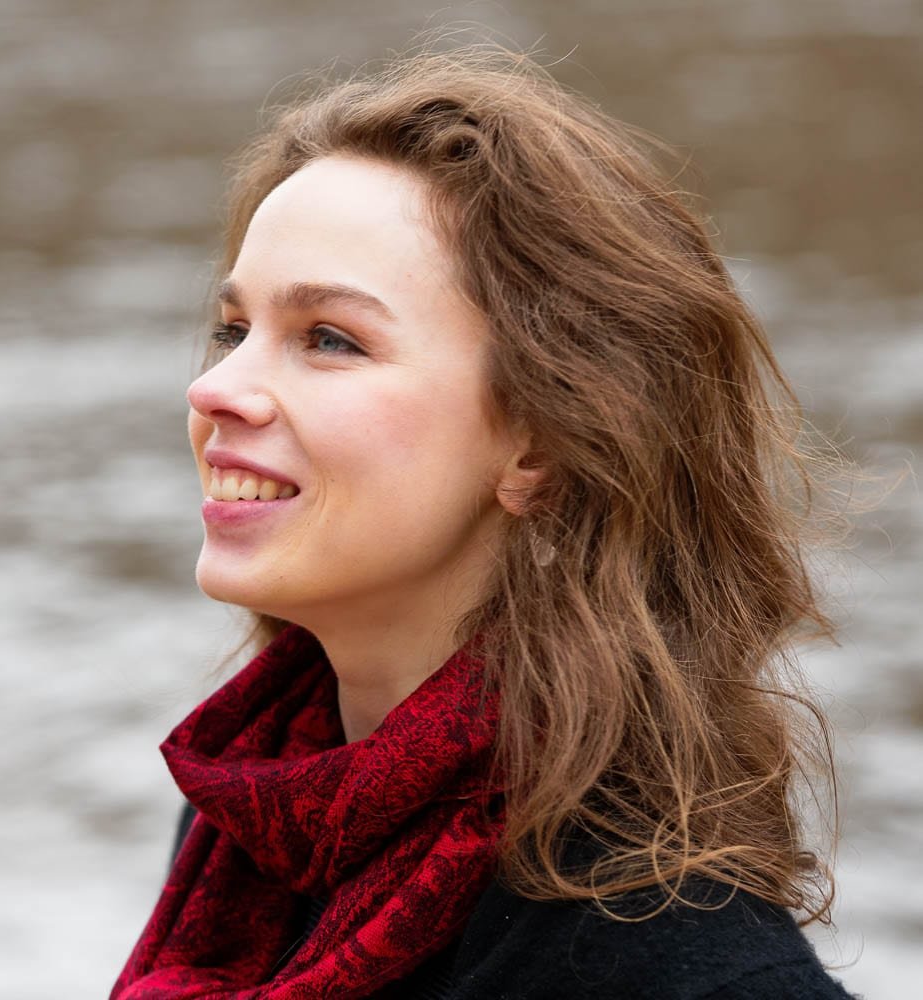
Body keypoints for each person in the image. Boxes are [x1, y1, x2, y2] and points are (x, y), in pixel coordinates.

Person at [109, 43, 858, 1000]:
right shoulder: (258, 819)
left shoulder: (668, 956)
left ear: (538, 442)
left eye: (328, 339)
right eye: (232, 328)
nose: (215, 387)